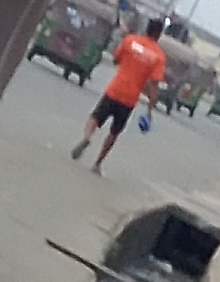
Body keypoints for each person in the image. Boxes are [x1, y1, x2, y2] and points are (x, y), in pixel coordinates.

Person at [71, 18, 167, 175]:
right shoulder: (158, 56)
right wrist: (150, 108)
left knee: (95, 117)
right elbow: (154, 84)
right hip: (129, 100)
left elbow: (116, 59)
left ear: (147, 29)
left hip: (114, 90)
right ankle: (97, 164)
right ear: (159, 34)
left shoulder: (130, 41)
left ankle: (87, 137)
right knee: (114, 132)